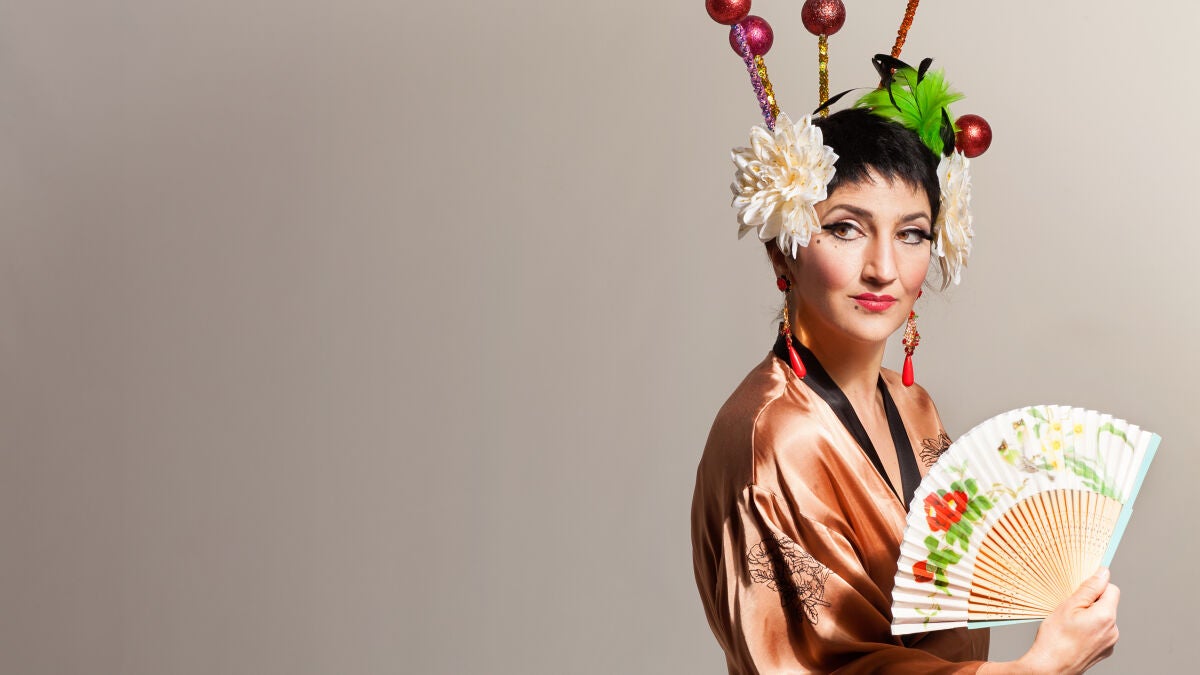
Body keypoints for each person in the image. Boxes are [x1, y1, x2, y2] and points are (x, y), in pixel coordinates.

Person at [690, 104, 1121, 673]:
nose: (883, 268)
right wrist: (1037, 670)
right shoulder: (775, 437)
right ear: (782, 247)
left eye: (911, 234)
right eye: (845, 228)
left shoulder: (912, 405)